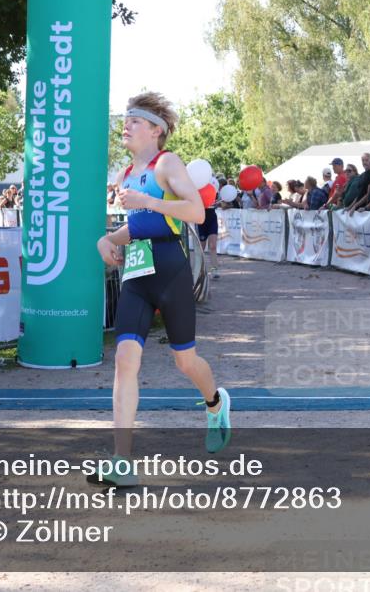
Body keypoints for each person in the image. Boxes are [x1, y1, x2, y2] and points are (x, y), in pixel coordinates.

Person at [94, 92, 231, 486]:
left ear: (156, 130)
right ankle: (122, 461)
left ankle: (215, 403)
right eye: (125, 119)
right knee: (124, 360)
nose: (126, 125)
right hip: (137, 272)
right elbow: (135, 226)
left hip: (170, 267)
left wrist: (149, 203)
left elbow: (196, 212)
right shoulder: (124, 174)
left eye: (134, 120)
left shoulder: (166, 164)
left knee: (184, 361)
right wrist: (108, 241)